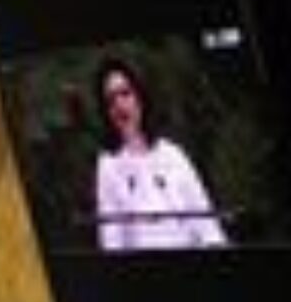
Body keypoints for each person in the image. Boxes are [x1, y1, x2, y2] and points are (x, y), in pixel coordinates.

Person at [92, 57, 229, 252]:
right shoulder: (108, 164)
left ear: (139, 96)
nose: (120, 105)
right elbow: (111, 240)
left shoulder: (173, 154)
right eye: (111, 100)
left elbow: (207, 225)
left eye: (125, 93)